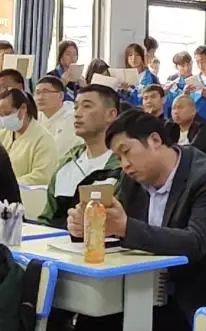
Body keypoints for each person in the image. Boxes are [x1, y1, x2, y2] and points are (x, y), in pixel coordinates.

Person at [67, 109, 206, 331]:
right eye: (119, 158)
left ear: (155, 140)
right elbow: (119, 228)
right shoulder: (133, 179)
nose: (125, 164)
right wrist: (88, 226)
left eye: (127, 152)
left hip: (201, 294)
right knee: (90, 322)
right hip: (148, 288)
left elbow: (194, 243)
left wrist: (124, 227)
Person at [38, 85, 121, 228]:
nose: (77, 114)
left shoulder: (122, 167)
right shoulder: (66, 164)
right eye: (76, 107)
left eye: (87, 106)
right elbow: (46, 220)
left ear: (111, 115)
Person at [0, 89, 58, 185]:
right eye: (0, 115)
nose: (3, 119)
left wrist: (10, 185)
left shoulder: (43, 139)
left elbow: (41, 176)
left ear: (23, 109)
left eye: (7, 114)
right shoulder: (3, 135)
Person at [35, 76, 83, 158]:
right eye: (37, 93)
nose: (40, 97)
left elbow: (56, 152)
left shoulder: (72, 118)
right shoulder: (35, 117)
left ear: (61, 96)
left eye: (46, 92)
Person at [163, 51, 194, 118]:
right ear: (176, 67)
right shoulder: (171, 84)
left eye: (189, 64)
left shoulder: (198, 82)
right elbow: (167, 107)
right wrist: (164, 93)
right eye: (182, 66)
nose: (187, 68)